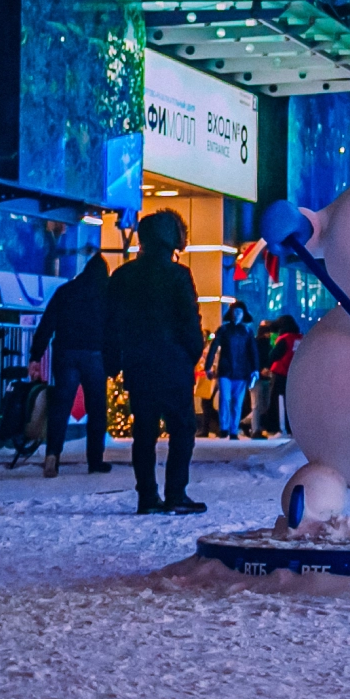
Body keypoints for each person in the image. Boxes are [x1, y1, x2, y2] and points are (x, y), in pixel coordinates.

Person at [105, 211, 204, 514]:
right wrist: (193, 352)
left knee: (144, 432)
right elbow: (189, 320)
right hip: (173, 362)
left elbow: (109, 323)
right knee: (182, 429)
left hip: (138, 362)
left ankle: (146, 495)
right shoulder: (178, 275)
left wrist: (114, 361)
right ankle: (176, 493)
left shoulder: (123, 276)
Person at [28, 254, 110, 478]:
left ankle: (52, 455)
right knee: (97, 410)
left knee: (60, 407)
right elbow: (113, 330)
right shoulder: (106, 294)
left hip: (65, 354)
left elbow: (47, 324)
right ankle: (95, 460)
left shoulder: (66, 291)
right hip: (94, 355)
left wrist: (35, 355)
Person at [204, 304, 259, 439]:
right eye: (235, 311)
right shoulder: (239, 331)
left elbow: (253, 352)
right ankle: (227, 429)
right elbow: (253, 352)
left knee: (234, 402)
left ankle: (230, 429)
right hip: (231, 371)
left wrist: (255, 369)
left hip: (235, 371)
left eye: (239, 312)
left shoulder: (241, 331)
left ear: (243, 314)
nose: (237, 314)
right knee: (227, 400)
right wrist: (208, 366)